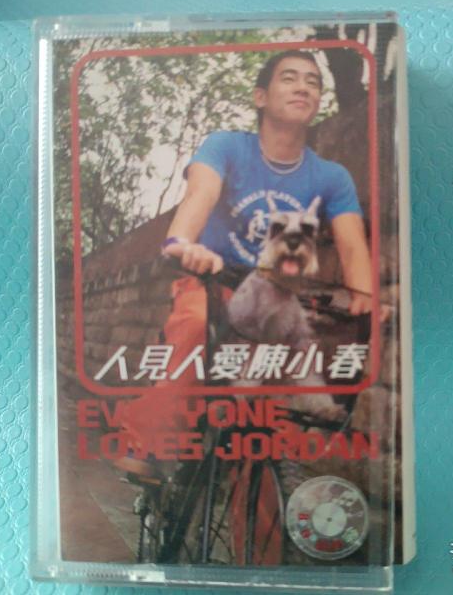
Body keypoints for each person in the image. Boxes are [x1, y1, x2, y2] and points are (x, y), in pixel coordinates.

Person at [118, 50, 374, 477]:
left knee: (270, 417)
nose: (303, 86)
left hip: (277, 300)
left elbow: (351, 245)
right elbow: (200, 193)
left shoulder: (332, 177)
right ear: (260, 96)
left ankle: (261, 509)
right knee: (195, 327)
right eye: (289, 78)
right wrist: (182, 243)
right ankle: (147, 444)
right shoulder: (226, 147)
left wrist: (365, 296)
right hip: (212, 282)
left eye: (312, 81)